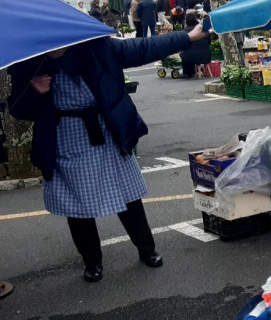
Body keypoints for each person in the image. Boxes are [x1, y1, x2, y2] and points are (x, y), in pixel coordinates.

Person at [7, 23, 212, 283]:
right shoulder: (28, 62)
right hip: (65, 135)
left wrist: (189, 36)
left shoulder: (96, 47)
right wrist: (33, 91)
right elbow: (18, 108)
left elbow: (143, 48)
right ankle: (92, 261)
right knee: (77, 204)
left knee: (127, 193)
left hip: (107, 127)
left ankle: (147, 249)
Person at [180, 13, 212, 79]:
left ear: (186, 21)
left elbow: (183, 44)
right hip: (206, 55)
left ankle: (188, 72)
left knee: (183, 54)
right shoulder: (202, 28)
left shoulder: (185, 31)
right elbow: (209, 42)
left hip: (192, 56)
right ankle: (197, 70)